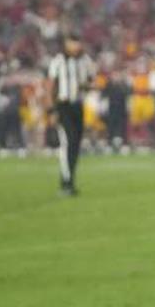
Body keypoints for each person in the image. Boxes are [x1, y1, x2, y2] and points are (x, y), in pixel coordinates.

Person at [46, 34, 96, 195]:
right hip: (63, 106)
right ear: (67, 44)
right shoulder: (58, 61)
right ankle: (65, 182)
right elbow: (50, 86)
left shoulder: (85, 60)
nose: (76, 46)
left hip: (78, 106)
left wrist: (86, 86)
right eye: (72, 43)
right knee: (68, 142)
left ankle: (70, 180)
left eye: (77, 43)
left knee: (75, 144)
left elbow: (90, 81)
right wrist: (51, 110)